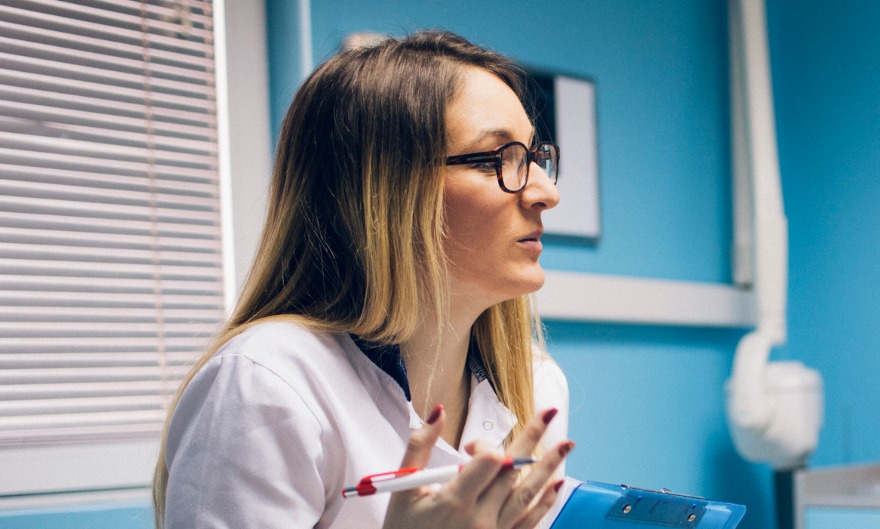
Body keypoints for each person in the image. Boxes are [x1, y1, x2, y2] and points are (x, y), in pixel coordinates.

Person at [154, 31, 572, 529]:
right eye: (494, 159)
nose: (546, 192)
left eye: (533, 157)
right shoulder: (266, 382)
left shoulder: (536, 386)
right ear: (383, 191)